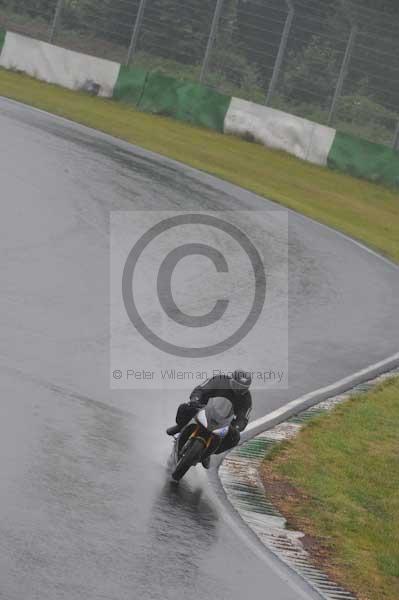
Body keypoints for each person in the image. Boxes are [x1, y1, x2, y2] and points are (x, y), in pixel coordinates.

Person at [166, 369, 253, 468]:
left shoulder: (246, 398)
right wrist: (195, 400)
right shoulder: (219, 380)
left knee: (235, 437)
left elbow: (243, 417)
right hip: (203, 408)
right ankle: (180, 426)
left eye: (242, 388)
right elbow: (201, 389)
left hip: (223, 421)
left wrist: (237, 427)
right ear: (231, 380)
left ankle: (210, 452)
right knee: (184, 407)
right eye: (237, 385)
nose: (239, 389)